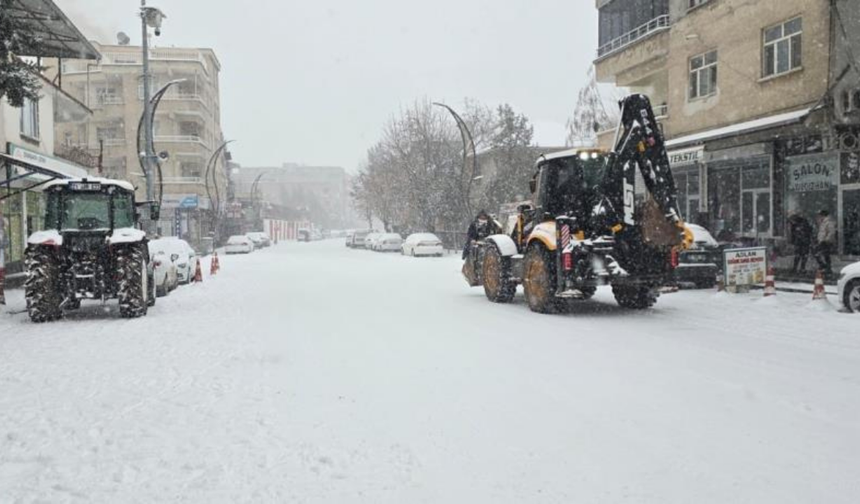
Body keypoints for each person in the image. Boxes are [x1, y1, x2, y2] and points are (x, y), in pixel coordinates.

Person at [814, 209, 837, 275]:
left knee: (821, 254)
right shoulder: (823, 222)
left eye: (820, 215)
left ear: (823, 215)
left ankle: (826, 267)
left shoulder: (828, 222)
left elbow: (831, 232)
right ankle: (827, 268)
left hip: (825, 242)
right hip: (822, 241)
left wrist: (826, 240)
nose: (819, 217)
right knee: (824, 255)